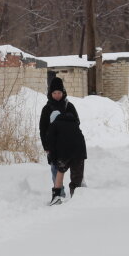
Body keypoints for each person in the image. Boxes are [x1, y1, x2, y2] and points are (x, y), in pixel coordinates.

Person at [39, 77, 87, 205]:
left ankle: (78, 191)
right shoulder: (46, 109)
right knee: (56, 169)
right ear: (50, 94)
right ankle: (59, 193)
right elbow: (42, 129)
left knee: (75, 168)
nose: (57, 96)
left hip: (70, 143)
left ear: (63, 92)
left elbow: (77, 122)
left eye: (59, 93)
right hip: (53, 144)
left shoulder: (69, 106)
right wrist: (46, 146)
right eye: (54, 93)